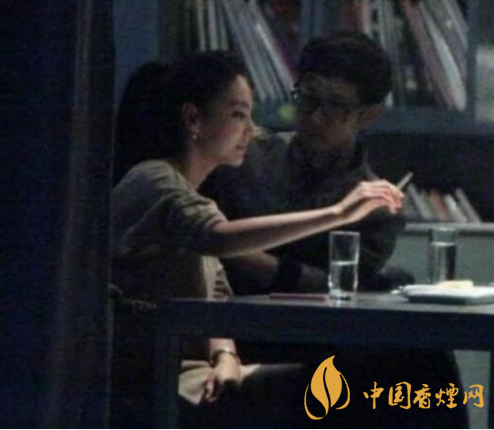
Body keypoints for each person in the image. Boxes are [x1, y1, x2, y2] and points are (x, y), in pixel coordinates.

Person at [110, 51, 403, 428]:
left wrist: (226, 356)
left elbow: (216, 295)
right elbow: (216, 237)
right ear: (194, 119)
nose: (251, 130)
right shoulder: (153, 180)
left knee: (400, 374)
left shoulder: (194, 194)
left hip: (205, 373)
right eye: (238, 115)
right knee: (355, 392)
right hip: (155, 380)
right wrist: (339, 213)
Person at [201, 33, 468, 428]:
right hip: (239, 328)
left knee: (420, 357)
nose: (315, 118)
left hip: (321, 338)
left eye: (336, 106)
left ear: (368, 115)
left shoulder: (377, 205)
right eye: (307, 99)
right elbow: (198, 242)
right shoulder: (244, 160)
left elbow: (337, 289)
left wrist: (240, 251)